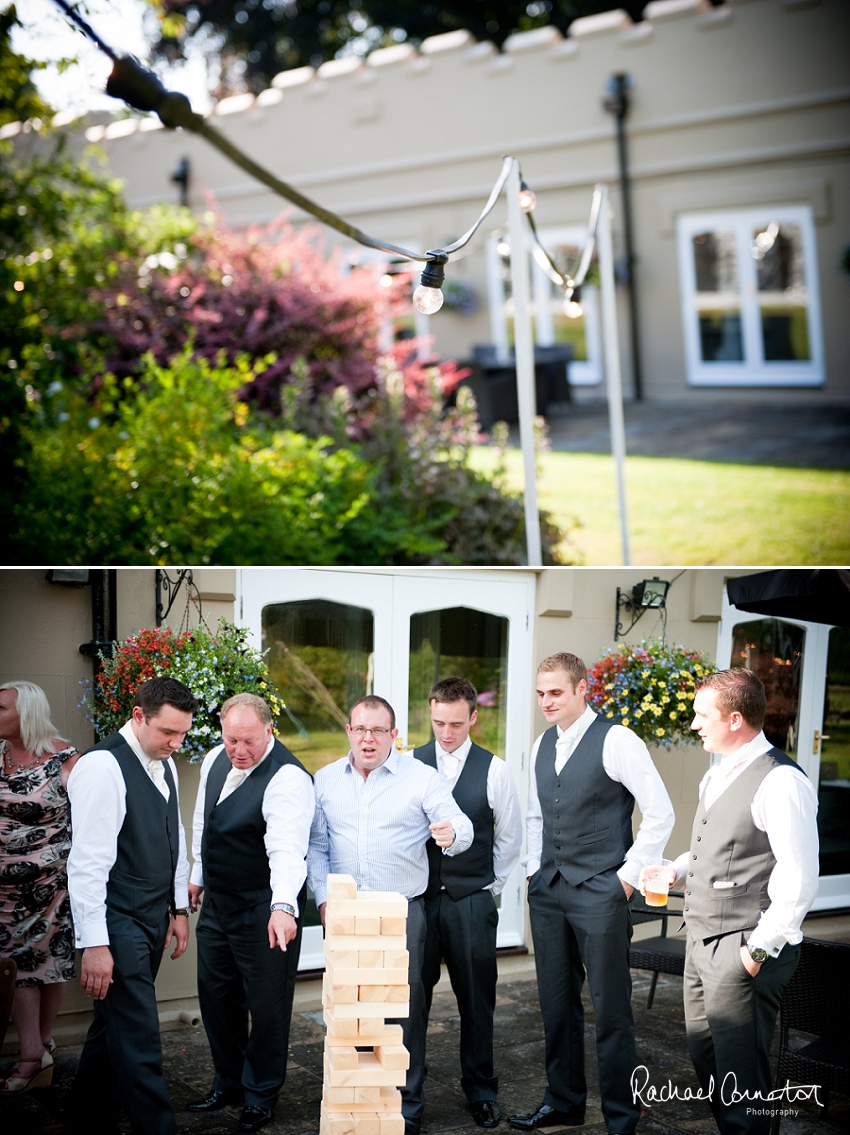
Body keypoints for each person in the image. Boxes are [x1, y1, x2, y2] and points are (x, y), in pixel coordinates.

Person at [639, 669, 819, 1135]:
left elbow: (799, 881)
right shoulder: (717, 772)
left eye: (702, 715)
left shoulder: (781, 783)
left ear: (735, 719)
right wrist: (675, 870)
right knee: (706, 1058)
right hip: (701, 941)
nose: (694, 724)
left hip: (745, 944)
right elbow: (713, 843)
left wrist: (754, 954)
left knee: (744, 1079)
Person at [510, 652, 675, 1135]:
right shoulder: (543, 743)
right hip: (549, 891)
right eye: (541, 693)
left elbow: (659, 812)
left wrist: (625, 878)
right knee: (556, 1004)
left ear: (584, 689)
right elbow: (538, 816)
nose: (546, 701)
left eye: (556, 692)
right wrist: (531, 875)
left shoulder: (617, 740)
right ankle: (563, 1102)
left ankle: (621, 1116)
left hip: (601, 891)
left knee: (611, 1010)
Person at [308, 694, 474, 1135]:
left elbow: (462, 826)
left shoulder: (422, 778)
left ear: (394, 735)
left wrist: (451, 832)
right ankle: (356, 1104)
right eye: (360, 729)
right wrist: (324, 899)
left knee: (404, 1013)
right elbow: (317, 847)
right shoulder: (324, 780)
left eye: (378, 730)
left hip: (403, 917)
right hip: (346, 916)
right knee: (349, 1012)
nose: (368, 739)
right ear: (348, 731)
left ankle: (406, 1110)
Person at [66, 675, 197, 1135]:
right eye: (168, 732)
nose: (176, 744)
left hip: (151, 918)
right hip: (116, 922)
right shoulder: (103, 767)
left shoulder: (163, 761)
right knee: (140, 1036)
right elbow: (86, 865)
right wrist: (95, 945)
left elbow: (173, 838)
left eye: (183, 733)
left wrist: (178, 910)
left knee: (113, 1029)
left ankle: (88, 1118)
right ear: (138, 716)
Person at [187, 693, 313, 1134]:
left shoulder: (288, 778)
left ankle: (261, 1095)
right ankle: (229, 1082)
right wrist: (196, 876)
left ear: (269, 731)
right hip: (219, 903)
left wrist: (283, 907)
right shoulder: (213, 760)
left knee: (268, 1005)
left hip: (264, 906)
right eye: (231, 740)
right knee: (217, 999)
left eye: (249, 742)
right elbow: (204, 823)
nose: (239, 751)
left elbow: (287, 848)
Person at [413, 677, 521, 1129]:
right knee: (411, 999)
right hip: (419, 902)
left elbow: (511, 839)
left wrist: (484, 888)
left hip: (471, 902)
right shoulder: (410, 763)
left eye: (456, 723)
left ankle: (480, 1089)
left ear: (473, 718)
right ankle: (406, 1086)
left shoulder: (494, 770)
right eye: (438, 722)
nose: (446, 732)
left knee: (477, 1001)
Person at [0, 681, 80, 1094]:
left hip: (50, 886)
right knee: (19, 961)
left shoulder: (64, 759)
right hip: (3, 893)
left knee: (45, 961)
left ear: (25, 713)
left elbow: (88, 820)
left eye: (2, 708)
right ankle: (38, 1050)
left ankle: (34, 1053)